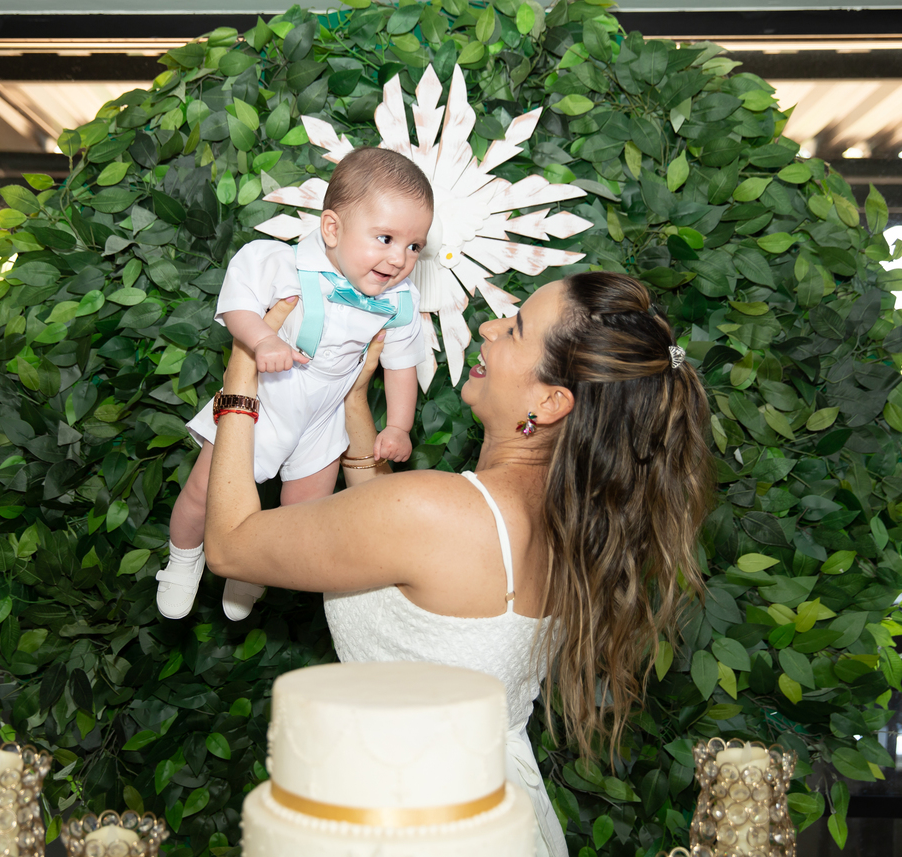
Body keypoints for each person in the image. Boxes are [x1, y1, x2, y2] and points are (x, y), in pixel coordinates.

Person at [204, 271, 715, 857]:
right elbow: (388, 536)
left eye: (516, 328)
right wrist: (352, 400)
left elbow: (229, 545)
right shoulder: (565, 521)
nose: (489, 327)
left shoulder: (439, 513)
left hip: (421, 815)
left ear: (550, 402)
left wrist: (240, 381)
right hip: (493, 802)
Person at [155, 147, 434, 621]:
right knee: (205, 492)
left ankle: (254, 569)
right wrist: (263, 339)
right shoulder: (281, 264)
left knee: (305, 511)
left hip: (324, 417)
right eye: (386, 238)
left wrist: (399, 426)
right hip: (266, 398)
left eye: (414, 247)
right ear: (332, 229)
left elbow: (401, 366)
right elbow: (238, 305)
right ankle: (182, 560)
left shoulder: (400, 301)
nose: (399, 258)